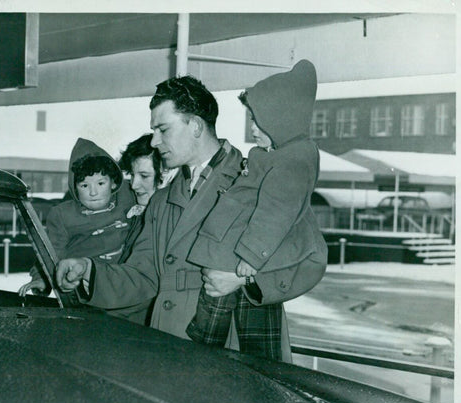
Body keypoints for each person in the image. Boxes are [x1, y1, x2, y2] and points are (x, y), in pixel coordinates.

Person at [55, 75, 248, 341]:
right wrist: (89, 269)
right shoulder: (162, 201)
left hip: (227, 343)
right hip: (167, 343)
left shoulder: (252, 181)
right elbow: (143, 276)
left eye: (163, 130)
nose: (155, 141)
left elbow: (308, 260)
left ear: (194, 125)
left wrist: (244, 280)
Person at [185, 59, 328, 360]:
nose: (251, 128)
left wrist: (251, 255)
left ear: (281, 119)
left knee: (219, 340)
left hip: (243, 258)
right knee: (245, 343)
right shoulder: (279, 156)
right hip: (235, 258)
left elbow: (274, 212)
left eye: (257, 120)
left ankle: (202, 352)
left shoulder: (290, 163)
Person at [19, 138, 134, 296]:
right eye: (84, 185)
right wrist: (43, 279)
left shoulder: (128, 195)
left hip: (125, 284)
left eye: (100, 184)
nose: (93, 192)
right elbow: (52, 251)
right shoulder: (63, 215)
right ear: (75, 187)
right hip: (83, 288)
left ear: (113, 182)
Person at [110, 134, 165, 324]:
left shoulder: (162, 223)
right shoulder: (137, 213)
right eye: (132, 175)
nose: (134, 185)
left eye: (144, 176)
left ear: (166, 176)